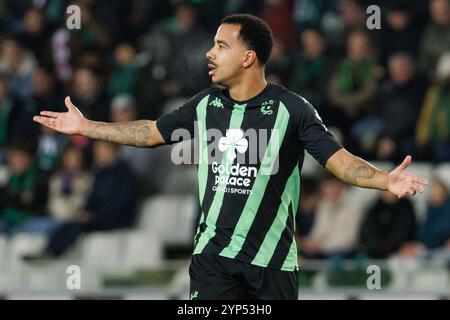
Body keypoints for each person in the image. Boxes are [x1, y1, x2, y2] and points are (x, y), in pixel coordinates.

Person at [33, 14, 428, 300]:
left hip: (274, 263)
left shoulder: (294, 109)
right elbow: (149, 132)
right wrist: (87, 127)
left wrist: (384, 179)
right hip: (214, 257)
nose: (209, 53)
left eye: (221, 45)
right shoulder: (205, 105)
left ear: (248, 57)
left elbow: (338, 160)